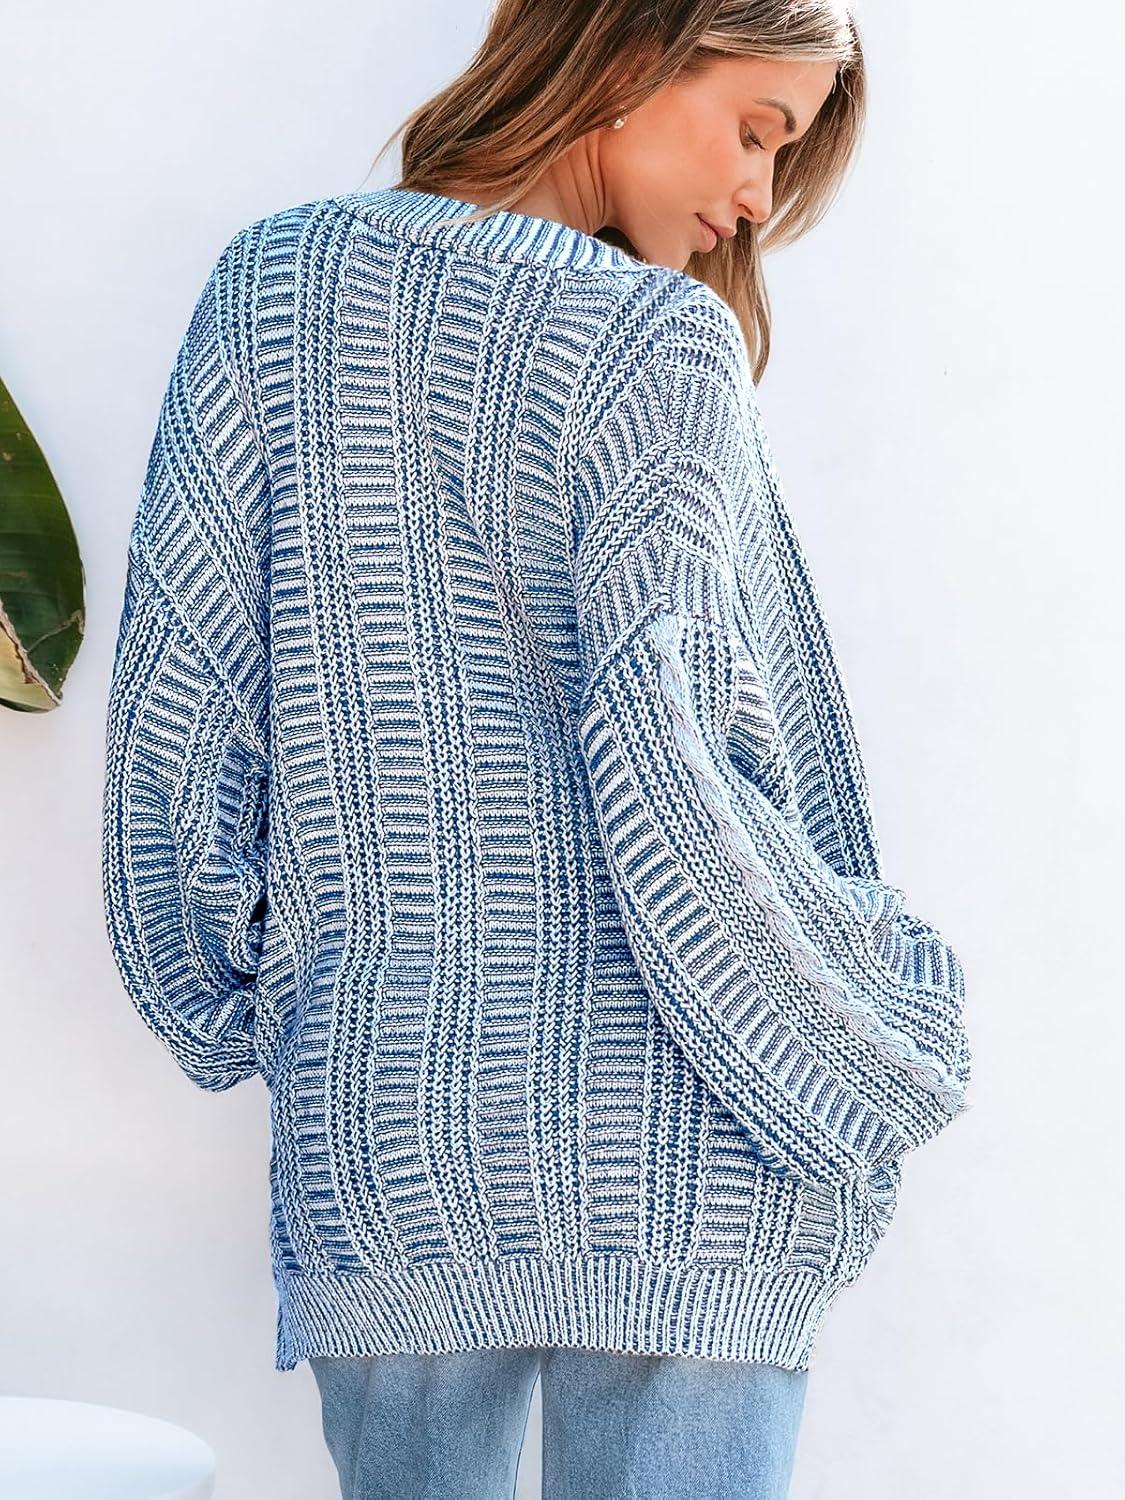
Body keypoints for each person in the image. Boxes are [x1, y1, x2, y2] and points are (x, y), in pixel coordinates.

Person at [100, 2, 974, 1496]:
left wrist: (279, 1000)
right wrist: (879, 1025)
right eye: (756, 129)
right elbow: (693, 773)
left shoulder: (273, 289)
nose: (756, 196)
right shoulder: (654, 340)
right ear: (629, 52)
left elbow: (181, 705)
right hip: (688, 1157)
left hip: (386, 1138)